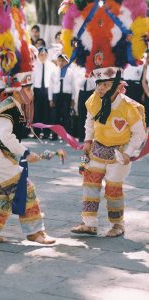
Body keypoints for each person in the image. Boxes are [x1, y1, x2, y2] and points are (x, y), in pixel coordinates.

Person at [59, 0, 148, 237]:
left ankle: (117, 224)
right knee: (90, 184)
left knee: (113, 189)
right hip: (97, 149)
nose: (100, 89)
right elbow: (90, 122)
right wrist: (87, 142)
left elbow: (140, 133)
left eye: (105, 85)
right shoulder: (93, 100)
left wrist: (128, 152)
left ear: (117, 85)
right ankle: (89, 223)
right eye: (98, 84)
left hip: (119, 152)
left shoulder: (131, 107)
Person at [0, 1, 56, 244]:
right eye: (29, 88)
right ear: (19, 88)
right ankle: (34, 232)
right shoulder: (9, 107)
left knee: (2, 195)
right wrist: (26, 152)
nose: (31, 92)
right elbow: (6, 136)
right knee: (26, 188)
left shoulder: (14, 105)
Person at [49, 54, 76, 140]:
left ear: (66, 62)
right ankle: (54, 135)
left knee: (66, 116)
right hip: (56, 95)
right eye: (59, 61)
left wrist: (73, 99)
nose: (61, 63)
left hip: (66, 96)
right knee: (55, 116)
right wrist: (50, 99)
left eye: (63, 61)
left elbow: (73, 86)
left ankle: (66, 136)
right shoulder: (54, 72)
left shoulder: (70, 72)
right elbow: (51, 86)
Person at [32, 47, 56, 139]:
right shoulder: (34, 65)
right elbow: (32, 80)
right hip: (37, 90)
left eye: (45, 55)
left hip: (47, 90)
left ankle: (46, 132)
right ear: (38, 55)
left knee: (47, 112)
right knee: (37, 112)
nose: (43, 56)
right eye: (41, 55)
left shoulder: (51, 65)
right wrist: (32, 92)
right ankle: (36, 132)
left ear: (47, 55)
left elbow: (53, 80)